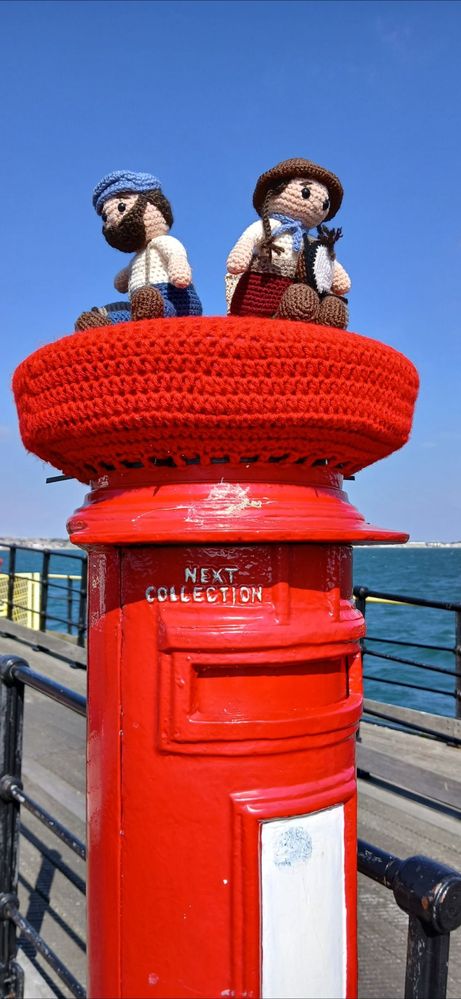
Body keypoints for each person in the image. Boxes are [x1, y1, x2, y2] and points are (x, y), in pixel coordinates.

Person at [226, 157, 351, 328]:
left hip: (294, 292)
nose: (316, 205)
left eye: (324, 203)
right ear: (274, 192)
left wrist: (337, 275)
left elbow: (332, 268)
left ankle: (315, 314)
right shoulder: (269, 227)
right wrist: (240, 255)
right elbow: (248, 240)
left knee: (305, 299)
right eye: (306, 193)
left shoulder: (312, 241)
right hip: (260, 289)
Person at [75, 170, 202, 330]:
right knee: (120, 309)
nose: (112, 221)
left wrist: (178, 266)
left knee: (150, 303)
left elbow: (175, 254)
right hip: (139, 303)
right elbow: (120, 284)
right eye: (106, 218)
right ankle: (102, 321)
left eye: (121, 207)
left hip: (174, 299)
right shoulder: (136, 259)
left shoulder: (163, 242)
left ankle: (151, 311)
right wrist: (123, 278)